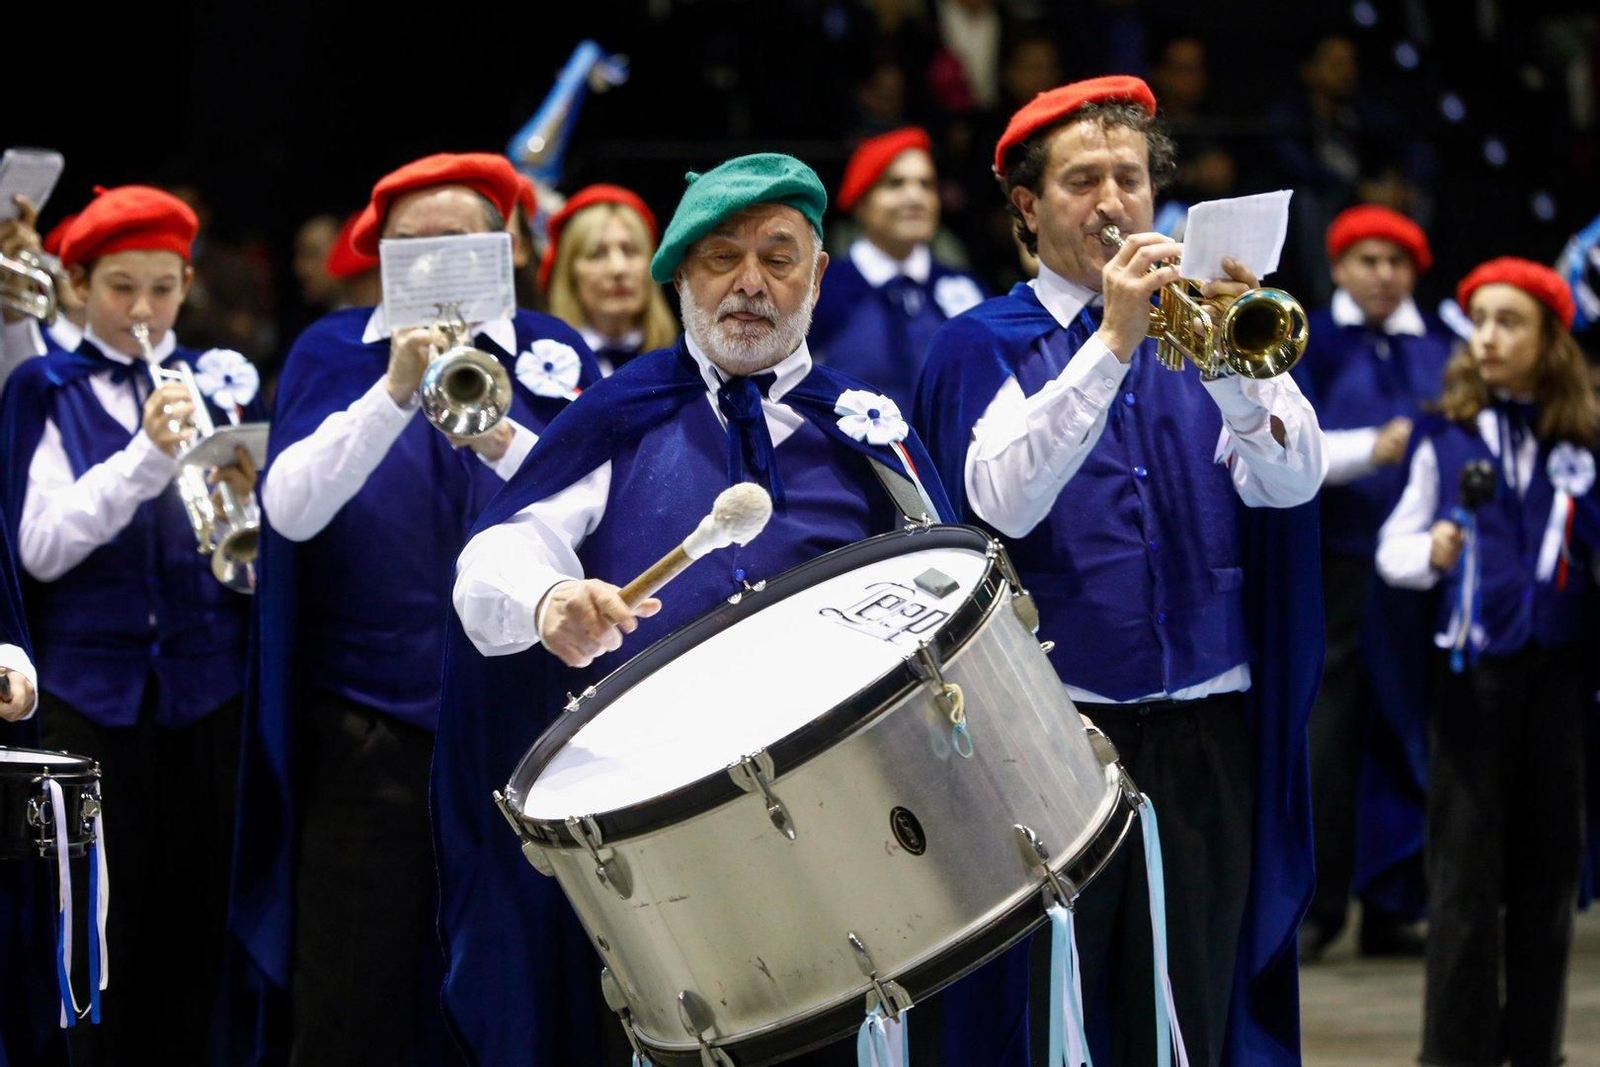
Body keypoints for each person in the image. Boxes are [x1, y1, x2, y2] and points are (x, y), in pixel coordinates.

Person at [434, 152, 968, 1065]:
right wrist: (551, 596)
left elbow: (949, 600)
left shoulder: (867, 432)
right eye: (721, 257)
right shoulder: (619, 417)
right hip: (669, 852)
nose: (750, 283)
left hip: (847, 843)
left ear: (818, 276)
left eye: (777, 255)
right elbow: (492, 555)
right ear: (679, 274)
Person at [914, 75, 1326, 1066]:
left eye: (1130, 178)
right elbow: (999, 500)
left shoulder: (1211, 326)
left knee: (1195, 996)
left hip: (1205, 732)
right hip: (1064, 743)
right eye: (1081, 179)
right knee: (1069, 1014)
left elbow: (1290, 479)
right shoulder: (986, 342)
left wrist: (1234, 364)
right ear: (1026, 206)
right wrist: (1108, 342)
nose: (1110, 201)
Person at [228, 152, 600, 1066]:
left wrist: (492, 423)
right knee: (355, 996)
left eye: (463, 242)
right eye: (415, 248)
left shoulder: (554, 348)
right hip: (371, 733)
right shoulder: (333, 349)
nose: (440, 262)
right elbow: (289, 512)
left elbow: (600, 502)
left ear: (504, 245)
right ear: (381, 259)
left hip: (528, 731)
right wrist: (394, 391)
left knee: (518, 992)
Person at [0, 184, 263, 1065]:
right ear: (75, 285)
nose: (144, 310)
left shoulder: (215, 385)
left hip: (205, 697)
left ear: (188, 285)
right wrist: (147, 456)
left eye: (162, 287)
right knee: (96, 943)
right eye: (120, 287)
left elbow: (245, 558)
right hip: (87, 702)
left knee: (193, 935)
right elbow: (38, 547)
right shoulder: (45, 385)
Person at [1376, 258, 1594, 1067]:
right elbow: (1392, 549)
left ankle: (1536, 1048)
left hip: (1560, 684)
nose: (1490, 336)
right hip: (1473, 682)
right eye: (1482, 320)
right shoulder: (1445, 431)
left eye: (1512, 321)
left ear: (1550, 339)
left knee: (1547, 885)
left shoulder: (1584, 438)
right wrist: (1430, 553)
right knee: (1464, 885)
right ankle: (1455, 1054)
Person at [1294, 205, 1455, 960]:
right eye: (1369, 260)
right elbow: (1286, 444)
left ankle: (1396, 897)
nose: (1384, 274)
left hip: (1424, 572)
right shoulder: (1311, 339)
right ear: (1340, 267)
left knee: (1406, 728)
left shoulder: (1439, 345)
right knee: (1332, 734)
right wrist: (1368, 449)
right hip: (1343, 564)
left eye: (1396, 261)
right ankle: (1320, 904)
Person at [810, 127, 985, 415]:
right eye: (895, 184)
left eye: (926, 184)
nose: (916, 198)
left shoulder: (967, 286)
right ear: (862, 202)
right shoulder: (822, 289)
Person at [539, 184, 677, 374]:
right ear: (569, 271)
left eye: (630, 251)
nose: (618, 269)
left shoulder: (685, 362)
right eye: (597, 254)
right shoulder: (541, 366)